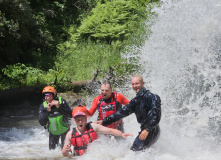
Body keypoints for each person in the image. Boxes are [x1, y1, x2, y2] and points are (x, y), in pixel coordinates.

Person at [97, 76, 161, 151]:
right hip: (145, 130)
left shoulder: (152, 97)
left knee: (135, 152)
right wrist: (104, 121)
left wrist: (147, 129)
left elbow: (156, 115)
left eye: (137, 84)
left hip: (151, 131)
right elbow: (122, 112)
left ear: (143, 83)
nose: (134, 86)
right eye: (133, 84)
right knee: (138, 152)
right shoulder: (136, 100)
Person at [62, 105, 133, 156]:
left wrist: (121, 134)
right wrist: (66, 150)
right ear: (75, 121)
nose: (80, 122)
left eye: (82, 120)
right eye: (78, 120)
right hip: (79, 158)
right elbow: (64, 154)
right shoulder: (70, 134)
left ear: (86, 119)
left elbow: (109, 131)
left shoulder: (93, 127)